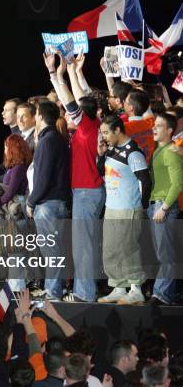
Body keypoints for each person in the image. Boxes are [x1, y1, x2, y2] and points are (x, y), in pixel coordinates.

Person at [46, 52, 105, 303]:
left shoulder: (88, 124)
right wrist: (69, 70)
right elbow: (79, 96)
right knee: (84, 243)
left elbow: (69, 98)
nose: (70, 113)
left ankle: (85, 292)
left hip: (87, 191)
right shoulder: (94, 123)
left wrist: (55, 73)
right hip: (87, 191)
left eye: (75, 111)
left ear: (83, 113)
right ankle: (85, 290)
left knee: (83, 244)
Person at [97, 115, 151, 305]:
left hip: (128, 209)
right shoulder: (111, 151)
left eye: (105, 132)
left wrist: (140, 208)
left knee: (128, 250)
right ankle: (119, 287)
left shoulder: (133, 153)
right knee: (111, 250)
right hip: (111, 207)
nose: (103, 136)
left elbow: (145, 181)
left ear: (117, 130)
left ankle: (136, 290)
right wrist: (101, 154)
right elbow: (101, 173)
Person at [26, 100, 70, 300]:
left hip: (48, 204)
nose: (34, 118)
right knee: (55, 249)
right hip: (58, 202)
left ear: (41, 116)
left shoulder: (47, 140)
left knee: (51, 250)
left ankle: (53, 291)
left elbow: (43, 177)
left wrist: (31, 201)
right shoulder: (58, 138)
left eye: (35, 114)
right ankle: (54, 289)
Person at [147, 112, 183, 306]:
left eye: (159, 125)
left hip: (164, 206)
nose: (154, 127)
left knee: (166, 255)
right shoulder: (160, 150)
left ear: (169, 131)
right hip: (156, 205)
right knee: (163, 254)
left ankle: (161, 294)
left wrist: (165, 207)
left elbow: (178, 184)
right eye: (154, 124)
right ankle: (165, 294)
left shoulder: (171, 152)